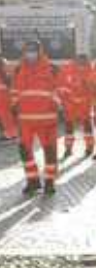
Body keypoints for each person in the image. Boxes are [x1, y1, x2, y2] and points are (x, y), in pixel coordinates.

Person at [12, 41, 60, 195]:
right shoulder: (18, 69)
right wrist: (14, 109)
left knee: (50, 151)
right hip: (25, 120)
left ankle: (49, 182)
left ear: (40, 51)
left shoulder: (52, 69)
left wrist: (58, 107)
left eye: (33, 50)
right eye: (27, 50)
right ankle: (32, 181)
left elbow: (59, 91)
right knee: (24, 150)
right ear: (24, 52)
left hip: (47, 120)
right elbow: (14, 92)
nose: (30, 53)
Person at [56, 53, 95, 159]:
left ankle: (90, 147)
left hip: (84, 105)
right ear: (75, 60)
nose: (81, 63)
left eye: (84, 61)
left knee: (87, 127)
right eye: (79, 61)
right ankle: (68, 148)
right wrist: (65, 101)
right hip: (70, 105)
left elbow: (94, 88)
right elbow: (60, 86)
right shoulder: (67, 70)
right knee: (69, 128)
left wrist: (89, 99)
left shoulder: (91, 70)